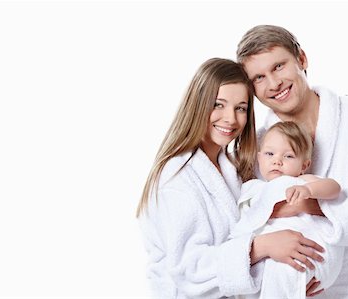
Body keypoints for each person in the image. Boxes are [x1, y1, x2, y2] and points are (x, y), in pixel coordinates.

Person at [236, 25, 348, 298]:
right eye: (259, 77)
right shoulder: (255, 147)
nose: (274, 83)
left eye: (279, 66)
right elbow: (244, 226)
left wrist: (294, 204)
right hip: (289, 285)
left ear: (301, 59)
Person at [136, 58, 325, 298]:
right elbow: (190, 269)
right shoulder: (177, 180)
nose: (230, 119)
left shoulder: (232, 171)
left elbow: (238, 260)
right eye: (218, 105)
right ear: (198, 104)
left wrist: (285, 286)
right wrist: (263, 245)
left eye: (241, 108)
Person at [231, 121, 343, 299]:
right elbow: (246, 222)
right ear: (259, 158)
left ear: (304, 165)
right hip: (271, 251)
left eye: (289, 156)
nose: (277, 160)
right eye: (270, 153)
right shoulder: (253, 189)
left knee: (282, 272)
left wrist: (309, 190)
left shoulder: (302, 181)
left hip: (305, 249)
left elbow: (334, 188)